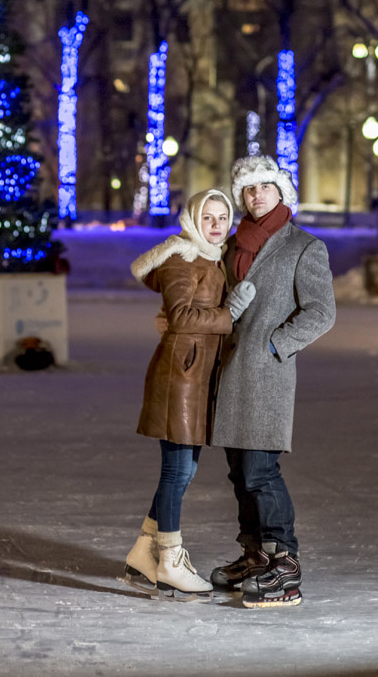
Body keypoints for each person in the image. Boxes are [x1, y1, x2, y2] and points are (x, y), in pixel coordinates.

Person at [210, 154, 336, 609]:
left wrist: (276, 344)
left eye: (264, 186)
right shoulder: (232, 245)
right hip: (229, 373)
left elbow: (322, 311)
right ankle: (256, 554)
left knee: (260, 471)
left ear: (281, 191)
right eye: (248, 189)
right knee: (238, 470)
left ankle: (286, 563)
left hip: (267, 375)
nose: (256, 195)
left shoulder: (304, 246)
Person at [123, 188, 256, 599]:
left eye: (222, 218)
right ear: (193, 219)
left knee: (184, 469)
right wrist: (229, 314)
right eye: (208, 218)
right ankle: (170, 560)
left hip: (195, 376)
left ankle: (144, 550)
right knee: (177, 470)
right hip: (180, 376)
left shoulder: (210, 258)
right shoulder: (182, 257)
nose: (216, 225)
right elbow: (180, 316)